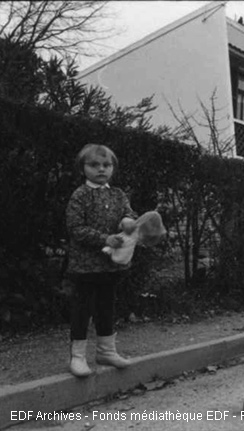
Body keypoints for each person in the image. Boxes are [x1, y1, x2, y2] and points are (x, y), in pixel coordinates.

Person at [66, 144, 138, 377]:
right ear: (82, 168)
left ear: (113, 168)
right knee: (82, 309)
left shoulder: (118, 194)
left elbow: (129, 214)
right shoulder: (80, 195)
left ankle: (106, 351)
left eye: (106, 165)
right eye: (94, 165)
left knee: (106, 307)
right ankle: (77, 356)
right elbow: (76, 228)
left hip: (110, 265)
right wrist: (104, 239)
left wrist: (128, 221)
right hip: (85, 266)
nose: (101, 169)